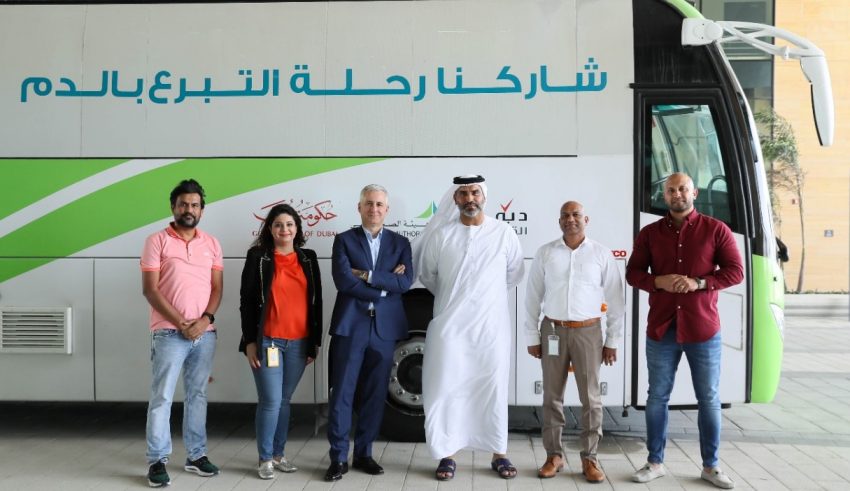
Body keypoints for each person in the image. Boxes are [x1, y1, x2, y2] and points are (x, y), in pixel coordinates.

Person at [626, 173, 743, 489]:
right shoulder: (650, 233)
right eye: (671, 190)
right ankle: (654, 462)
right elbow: (633, 273)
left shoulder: (716, 230)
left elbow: (736, 271)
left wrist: (699, 282)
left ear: (694, 193)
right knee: (656, 397)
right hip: (661, 328)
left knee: (709, 398)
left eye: (682, 189)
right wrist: (657, 281)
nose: (677, 194)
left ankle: (711, 467)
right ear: (664, 196)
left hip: (703, 329)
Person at [416, 175, 524, 481]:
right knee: (446, 387)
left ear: (483, 196)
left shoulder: (503, 232)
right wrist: (457, 298)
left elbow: (514, 273)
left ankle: (499, 452)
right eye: (463, 194)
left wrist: (484, 298)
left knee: (492, 387)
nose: (469, 198)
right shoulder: (442, 235)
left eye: (474, 192)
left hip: (491, 327)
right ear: (455, 199)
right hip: (450, 326)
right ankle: (447, 454)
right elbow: (428, 275)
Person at [525, 201, 625, 483]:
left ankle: (590, 458)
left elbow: (616, 300)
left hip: (588, 332)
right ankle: (553, 456)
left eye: (576, 215)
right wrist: (532, 335)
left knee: (591, 399)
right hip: (553, 331)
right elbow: (532, 296)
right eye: (565, 216)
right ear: (559, 221)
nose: (570, 219)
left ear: (586, 219)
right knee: (551, 397)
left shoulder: (601, 254)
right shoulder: (546, 253)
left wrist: (613, 340)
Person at [325, 184, 414, 482]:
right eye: (369, 203)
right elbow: (343, 281)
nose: (374, 209)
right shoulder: (344, 240)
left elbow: (405, 283)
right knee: (342, 392)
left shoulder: (401, 243)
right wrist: (385, 287)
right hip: (352, 326)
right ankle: (338, 457)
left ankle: (364, 453)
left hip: (384, 330)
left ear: (387, 210)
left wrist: (367, 275)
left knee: (375, 394)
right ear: (359, 207)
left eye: (379, 204)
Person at [141, 179, 223, 487]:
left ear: (202, 209)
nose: (189, 209)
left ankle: (196, 455)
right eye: (183, 204)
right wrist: (182, 323)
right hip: (168, 333)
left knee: (197, 395)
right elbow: (150, 290)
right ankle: (157, 460)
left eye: (194, 205)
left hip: (205, 333)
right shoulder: (156, 241)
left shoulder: (212, 244)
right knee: (162, 396)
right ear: (173, 207)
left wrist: (205, 320)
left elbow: (217, 288)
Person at [239, 204, 323, 480]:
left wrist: (313, 343)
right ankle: (265, 459)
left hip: (299, 343)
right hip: (269, 343)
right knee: (271, 401)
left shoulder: (308, 258)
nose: (284, 229)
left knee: (285, 400)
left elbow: (317, 302)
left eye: (289, 224)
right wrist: (250, 341)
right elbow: (247, 302)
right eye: (278, 225)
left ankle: (278, 455)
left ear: (297, 228)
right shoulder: (258, 257)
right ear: (270, 229)